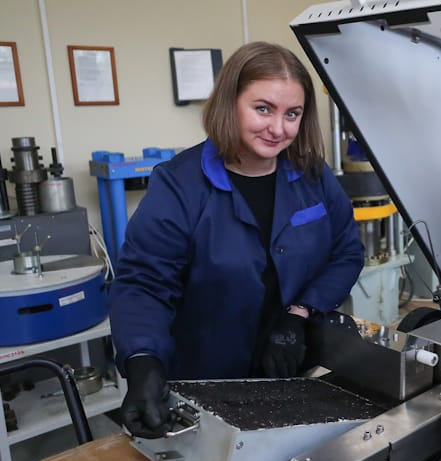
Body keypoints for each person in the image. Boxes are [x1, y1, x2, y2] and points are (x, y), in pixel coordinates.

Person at [109, 41, 364, 438]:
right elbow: (144, 283)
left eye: (292, 114)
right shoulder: (179, 185)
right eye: (263, 109)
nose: (278, 128)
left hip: (293, 374)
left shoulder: (313, 176)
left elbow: (346, 253)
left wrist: (298, 314)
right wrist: (142, 359)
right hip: (205, 384)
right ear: (230, 103)